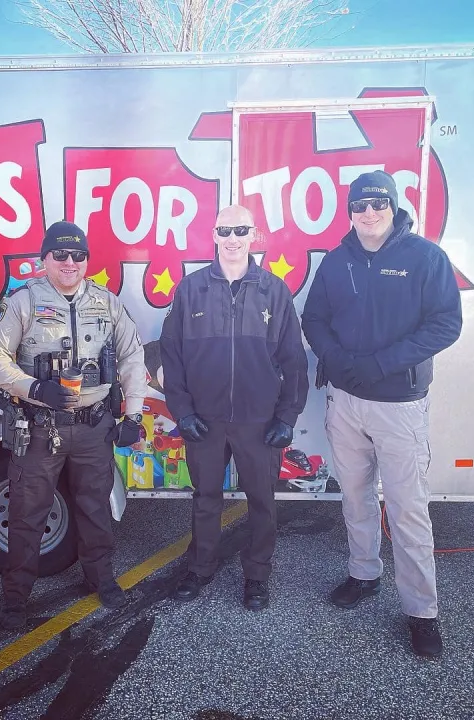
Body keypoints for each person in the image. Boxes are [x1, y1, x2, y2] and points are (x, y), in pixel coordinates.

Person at [300, 170, 462, 660]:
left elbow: (446, 324)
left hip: (399, 406)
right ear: (349, 211)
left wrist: (383, 363)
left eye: (378, 204)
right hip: (345, 403)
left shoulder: (425, 257)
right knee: (354, 495)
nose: (368, 213)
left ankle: (421, 612)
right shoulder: (337, 260)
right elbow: (313, 319)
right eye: (359, 205)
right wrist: (341, 361)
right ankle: (364, 573)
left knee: (408, 508)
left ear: (394, 207)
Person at [0, 220, 148, 631]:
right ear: (44, 260)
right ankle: (16, 598)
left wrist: (135, 414)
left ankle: (101, 579)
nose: (70, 263)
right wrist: (34, 386)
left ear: (87, 260)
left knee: (95, 509)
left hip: (94, 427)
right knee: (27, 513)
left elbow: (132, 358)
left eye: (79, 255)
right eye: (61, 254)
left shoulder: (106, 302)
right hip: (40, 427)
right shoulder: (24, 302)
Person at [159, 204, 309, 611]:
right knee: (206, 496)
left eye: (240, 230)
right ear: (213, 234)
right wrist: (182, 410)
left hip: (258, 421)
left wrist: (286, 416)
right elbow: (171, 355)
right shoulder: (190, 289)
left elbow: (294, 359)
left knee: (261, 499)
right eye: (225, 230)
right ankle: (200, 568)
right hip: (204, 419)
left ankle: (257, 575)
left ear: (253, 235)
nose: (232, 238)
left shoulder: (273, 290)